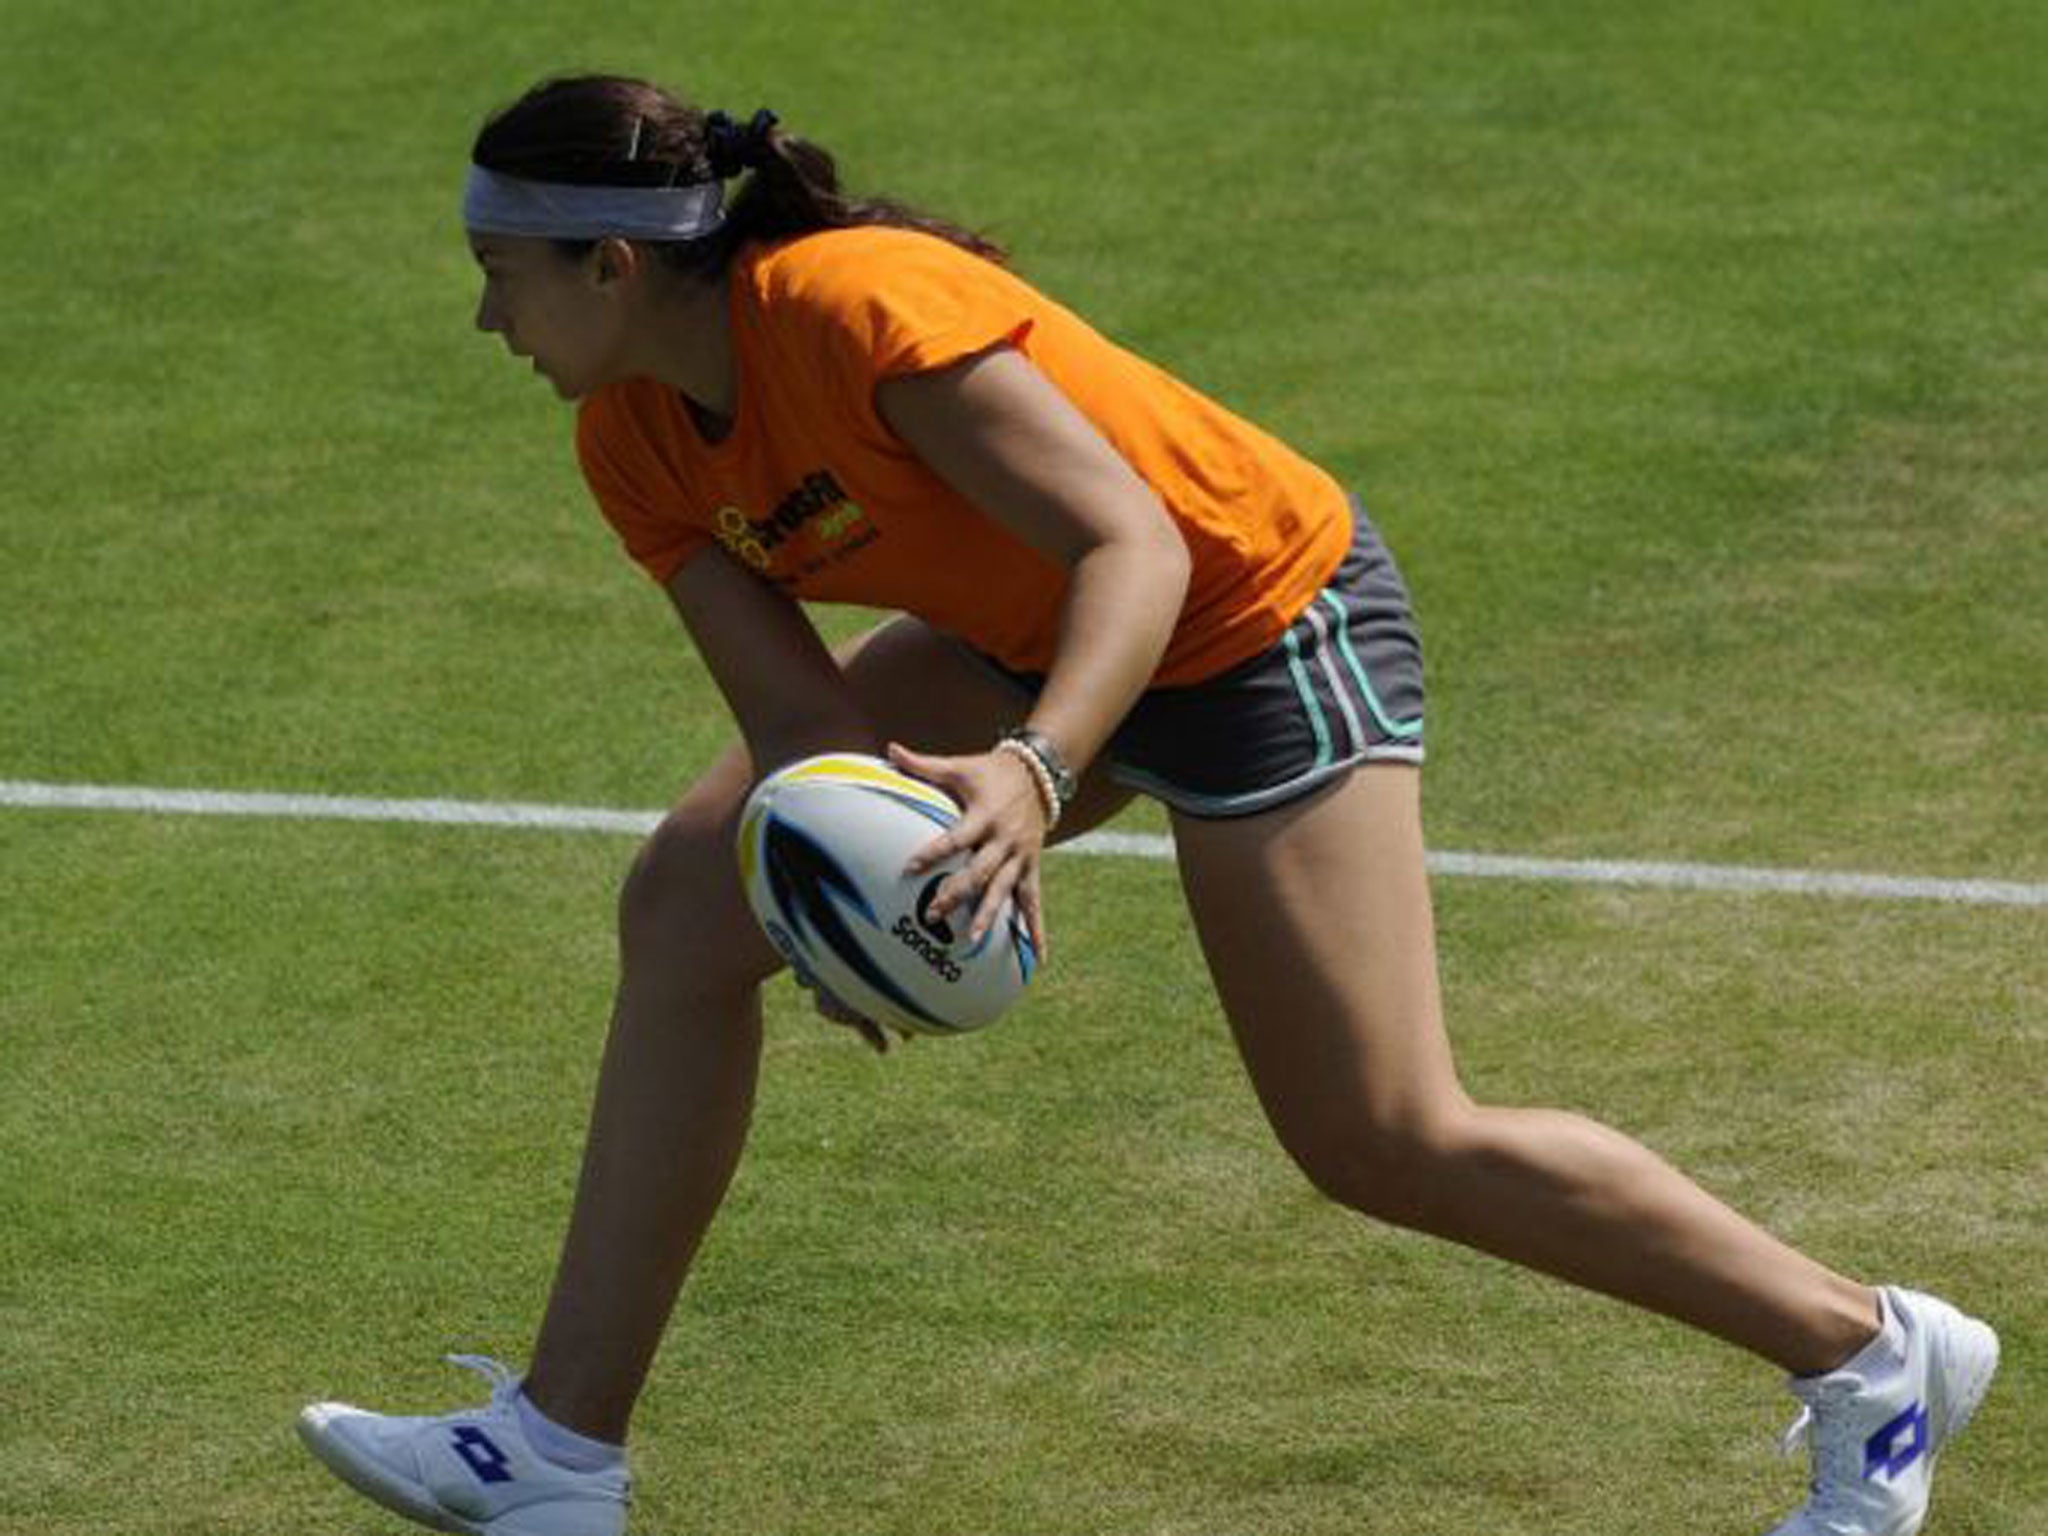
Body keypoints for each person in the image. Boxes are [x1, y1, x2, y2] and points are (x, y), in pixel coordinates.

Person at [296, 74, 1998, 1536]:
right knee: (689, 899)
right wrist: (834, 892)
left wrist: (1035, 776)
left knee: (1378, 1134)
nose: (487, 322)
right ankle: (558, 1449)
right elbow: (802, 730)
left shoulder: (855, 306)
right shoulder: (634, 444)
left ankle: (1867, 1349)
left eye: (500, 277)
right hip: (1026, 636)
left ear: (610, 263)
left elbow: (1142, 545)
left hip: (1260, 624)